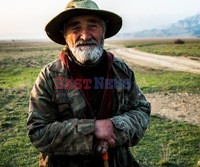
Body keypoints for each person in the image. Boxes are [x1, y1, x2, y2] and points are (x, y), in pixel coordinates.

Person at [27, 0, 151, 166]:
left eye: (93, 26)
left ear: (103, 32)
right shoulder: (49, 77)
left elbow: (141, 110)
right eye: (75, 28)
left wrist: (114, 128)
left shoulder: (121, 71)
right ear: (65, 35)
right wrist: (93, 130)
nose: (85, 36)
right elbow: (38, 132)